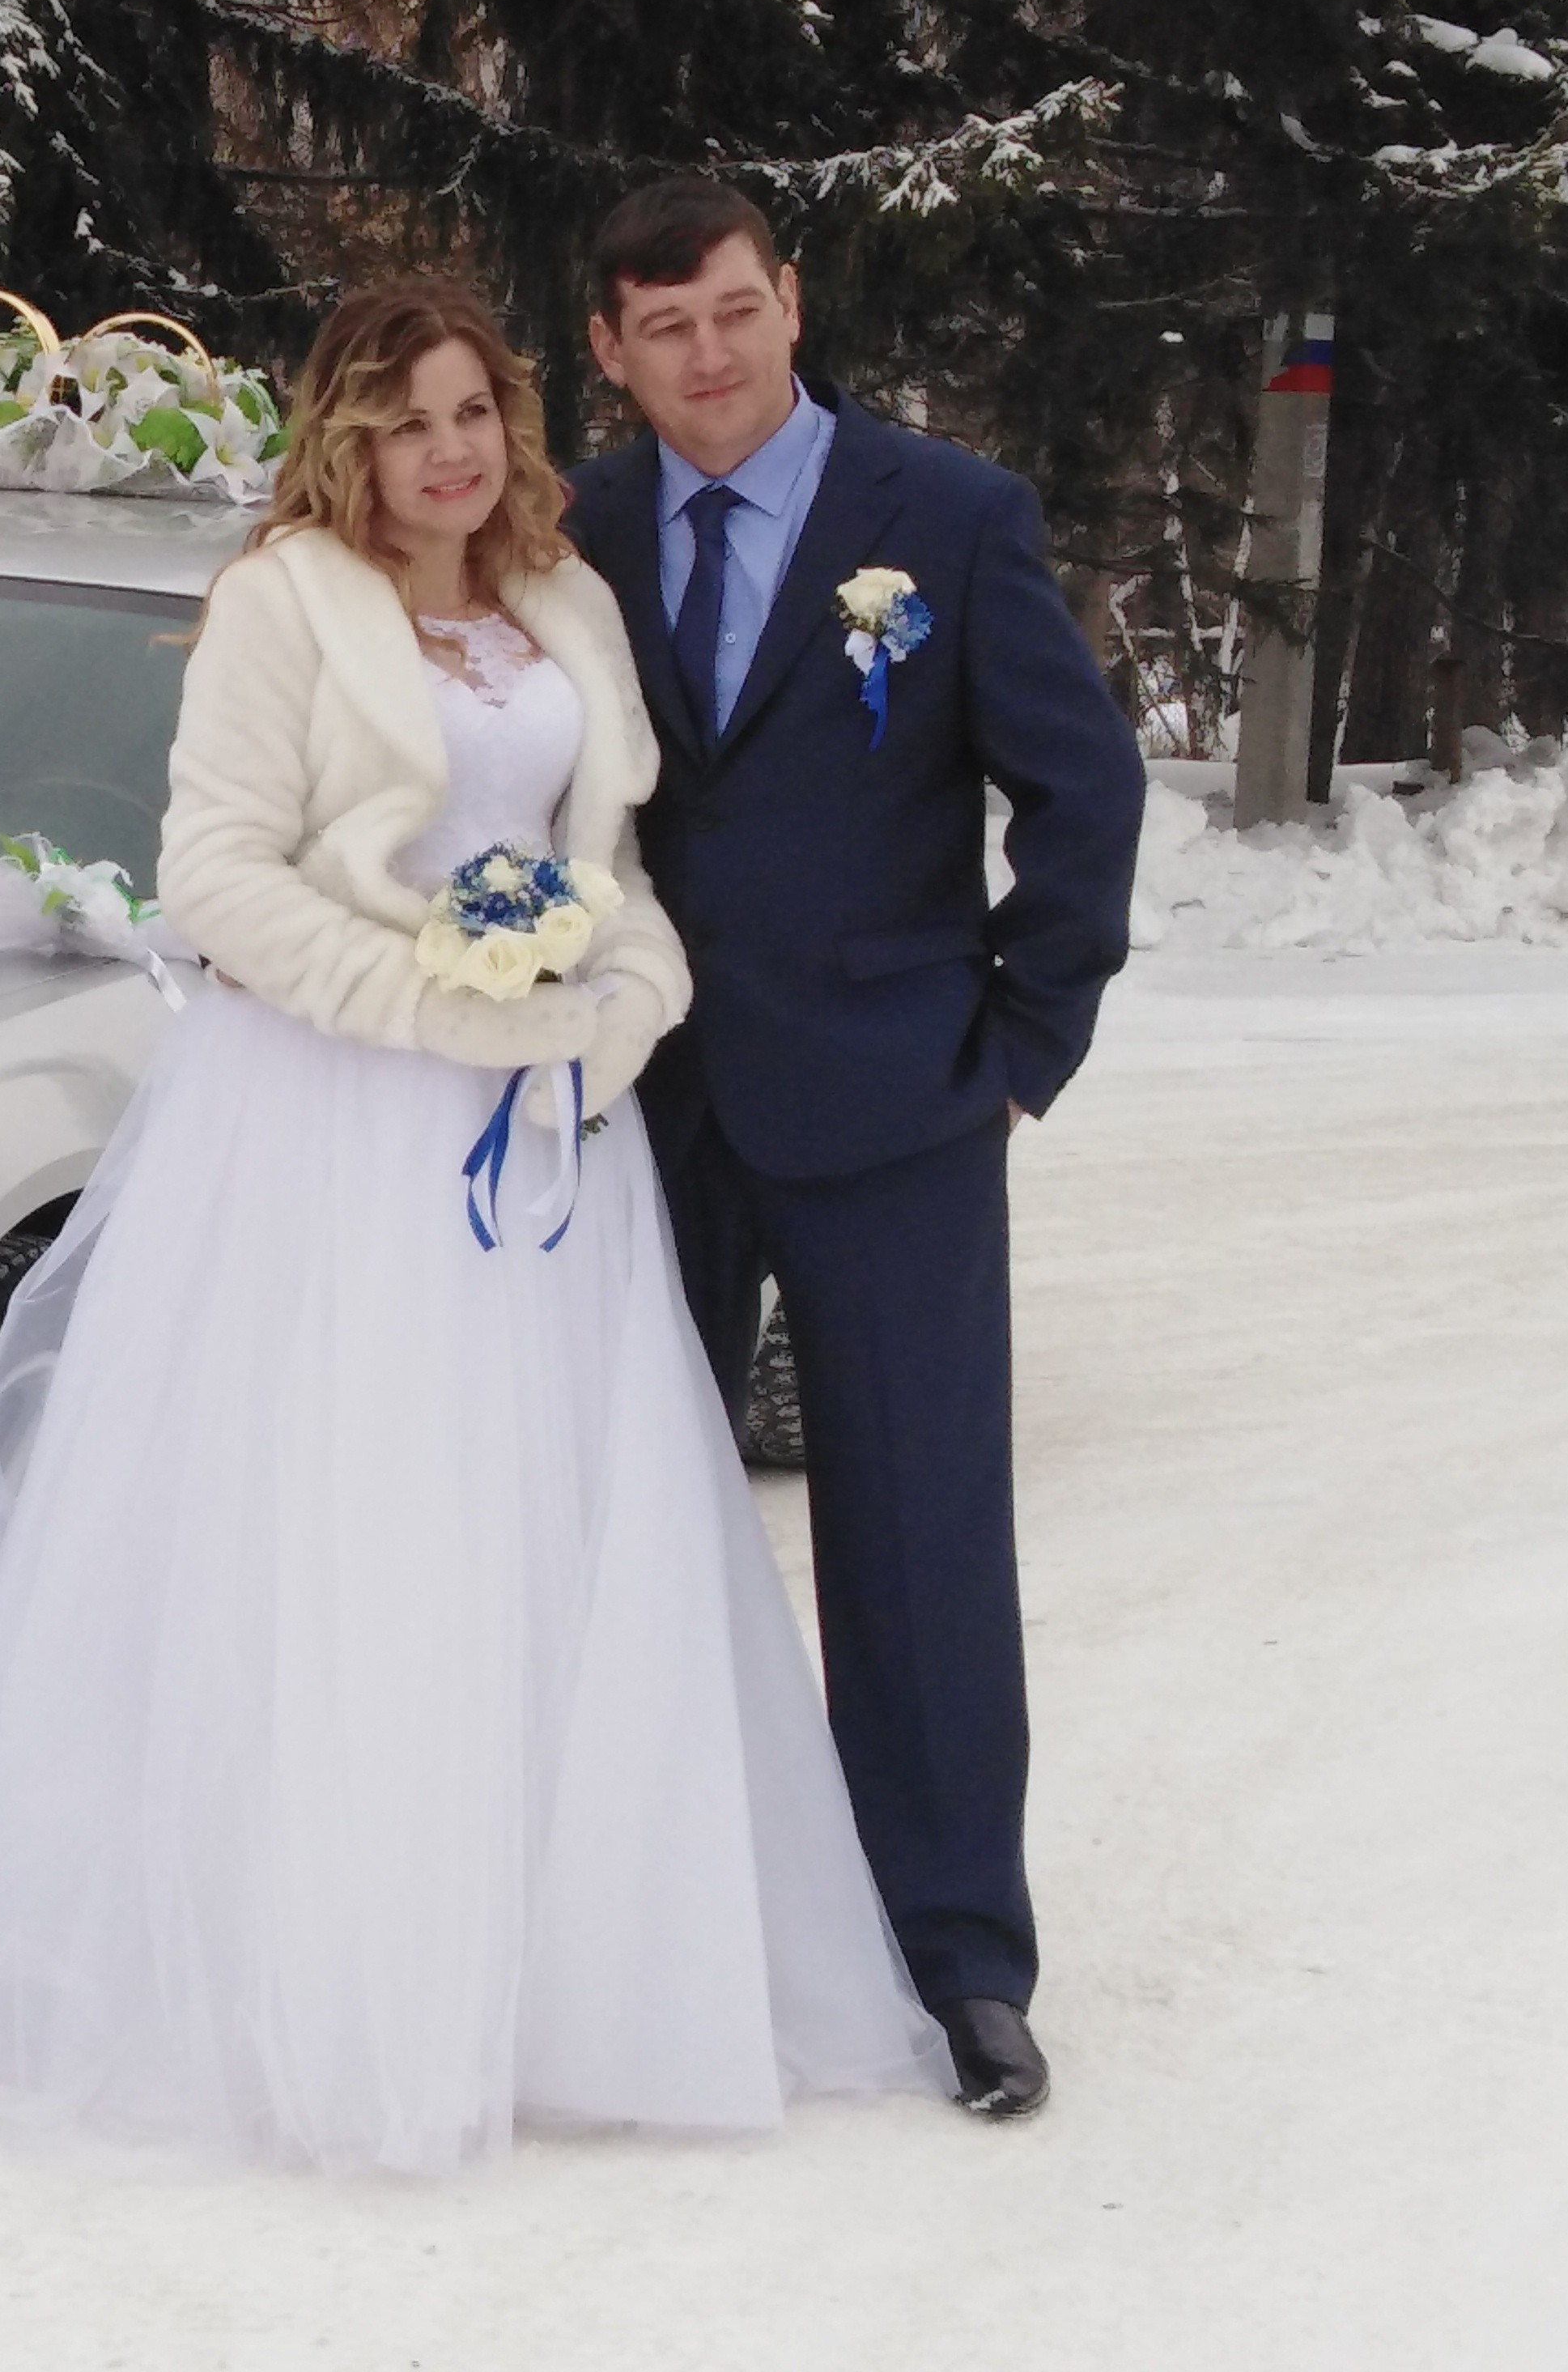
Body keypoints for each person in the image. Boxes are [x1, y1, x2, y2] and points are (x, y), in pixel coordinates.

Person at [0, 279, 955, 2172]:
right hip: (333, 1123)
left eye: (471, 413)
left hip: (546, 1135)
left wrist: (626, 997)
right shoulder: (282, 602)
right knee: (349, 1532)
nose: (447, 451)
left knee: (535, 1527)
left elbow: (613, 867)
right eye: (405, 420)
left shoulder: (562, 602)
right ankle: (336, 1981)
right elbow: (215, 880)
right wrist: (435, 1004)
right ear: (344, 441)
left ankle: (556, 1980)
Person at [563, 179, 1148, 2119]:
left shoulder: (948, 516)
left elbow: (1081, 792)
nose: (708, 355)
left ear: (790, 302)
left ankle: (957, 1957)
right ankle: (661, 1936)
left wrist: (1020, 1047)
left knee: (916, 1541)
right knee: (628, 1526)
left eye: (734, 310)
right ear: (610, 350)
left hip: (896, 1107)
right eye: (665, 327)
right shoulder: (569, 530)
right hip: (638, 1105)